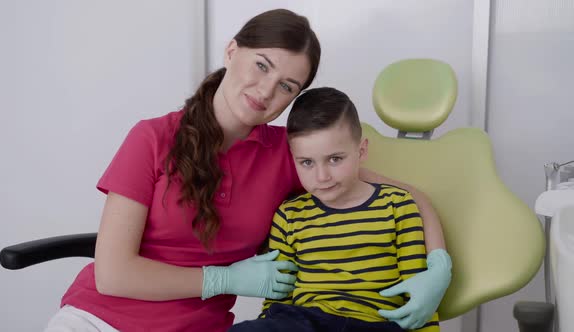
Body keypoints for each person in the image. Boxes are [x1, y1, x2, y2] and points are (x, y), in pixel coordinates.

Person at [44, 8, 449, 332]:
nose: (267, 90)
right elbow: (113, 275)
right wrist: (224, 280)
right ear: (232, 51)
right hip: (97, 320)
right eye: (262, 65)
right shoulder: (152, 138)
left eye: (288, 85)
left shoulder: (288, 156)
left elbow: (408, 195)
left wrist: (438, 269)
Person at [229, 87, 449, 332]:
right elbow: (279, 298)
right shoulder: (289, 216)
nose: (322, 177)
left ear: (361, 151)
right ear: (294, 159)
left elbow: (420, 296)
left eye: (335, 159)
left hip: (374, 323)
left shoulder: (397, 206)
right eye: (307, 162)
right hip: (305, 321)